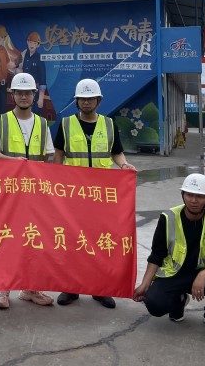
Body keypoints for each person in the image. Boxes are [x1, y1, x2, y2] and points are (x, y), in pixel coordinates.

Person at [53, 78, 136, 309]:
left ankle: (100, 288)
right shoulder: (66, 124)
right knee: (73, 242)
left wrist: (124, 165)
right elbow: (58, 156)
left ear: (98, 100)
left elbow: (116, 152)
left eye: (90, 98)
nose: (86, 102)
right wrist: (54, 185)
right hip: (73, 195)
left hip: (101, 196)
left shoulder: (109, 125)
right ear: (77, 101)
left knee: (101, 242)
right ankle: (70, 288)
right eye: (82, 99)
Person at [133, 174, 205, 335]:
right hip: (175, 275)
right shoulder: (168, 218)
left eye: (199, 196)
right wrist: (145, 285)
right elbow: (157, 255)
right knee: (154, 304)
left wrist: (204, 275)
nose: (194, 200)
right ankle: (179, 301)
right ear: (183, 195)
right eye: (189, 194)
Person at [0, 72, 56, 310]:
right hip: (9, 191)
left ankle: (31, 288)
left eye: (28, 93)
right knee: (8, 238)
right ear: (13, 95)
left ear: (34, 95)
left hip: (35, 193)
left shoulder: (42, 124)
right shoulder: (2, 121)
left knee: (33, 239)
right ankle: (3, 289)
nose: (24, 97)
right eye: (20, 93)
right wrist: (13, 162)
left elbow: (48, 156)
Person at [17, 31, 53, 119]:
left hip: (35, 92)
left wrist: (41, 98)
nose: (32, 45)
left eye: (34, 43)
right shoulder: (24, 55)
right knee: (24, 114)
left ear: (38, 45)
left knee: (36, 115)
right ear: (27, 42)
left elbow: (42, 79)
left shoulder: (39, 58)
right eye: (30, 42)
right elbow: (18, 68)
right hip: (24, 90)